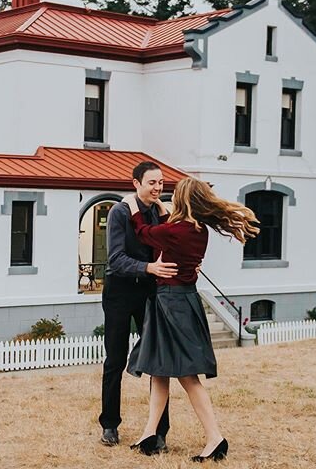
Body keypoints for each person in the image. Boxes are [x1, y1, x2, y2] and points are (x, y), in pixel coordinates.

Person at [124, 177, 259, 462]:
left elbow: (145, 232)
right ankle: (150, 434)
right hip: (183, 300)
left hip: (172, 304)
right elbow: (169, 233)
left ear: (183, 200)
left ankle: (215, 438)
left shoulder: (175, 230)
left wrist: (132, 206)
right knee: (159, 369)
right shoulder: (197, 230)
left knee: (187, 375)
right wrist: (163, 209)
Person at [98, 161, 178, 447]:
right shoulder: (119, 212)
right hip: (119, 292)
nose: (158, 188)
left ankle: (159, 432)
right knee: (115, 360)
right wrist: (148, 268)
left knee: (159, 361)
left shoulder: (162, 213)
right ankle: (109, 425)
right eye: (152, 183)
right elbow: (115, 260)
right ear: (136, 184)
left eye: (161, 183)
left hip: (149, 292)